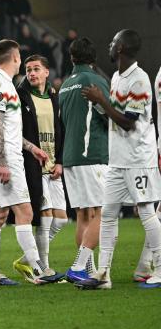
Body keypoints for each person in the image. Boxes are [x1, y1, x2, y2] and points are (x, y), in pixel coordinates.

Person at [77, 29, 161, 290]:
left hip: (138, 158)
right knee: (110, 212)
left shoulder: (139, 80)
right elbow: (114, 114)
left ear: (122, 48)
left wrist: (101, 99)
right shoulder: (115, 76)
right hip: (118, 158)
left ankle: (159, 268)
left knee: (146, 211)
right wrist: (99, 104)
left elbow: (127, 122)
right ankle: (103, 274)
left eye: (113, 42)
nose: (110, 45)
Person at [0, 39, 62, 286]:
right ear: (16, 58)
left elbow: (8, 128)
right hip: (5, 159)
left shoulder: (4, 84)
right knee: (25, 212)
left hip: (7, 155)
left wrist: (31, 147)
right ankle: (38, 270)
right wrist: (4, 162)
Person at [57, 38, 110, 283]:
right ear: (93, 58)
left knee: (82, 215)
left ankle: (86, 270)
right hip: (92, 155)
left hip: (70, 158)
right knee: (105, 210)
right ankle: (79, 266)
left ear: (71, 58)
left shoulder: (65, 85)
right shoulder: (96, 81)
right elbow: (111, 117)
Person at [12, 55, 67, 282]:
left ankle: (26, 259)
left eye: (36, 69)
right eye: (28, 69)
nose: (32, 73)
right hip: (34, 165)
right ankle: (44, 268)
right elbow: (17, 132)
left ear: (46, 72)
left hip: (53, 164)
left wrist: (60, 161)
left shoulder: (53, 96)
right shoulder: (21, 95)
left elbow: (60, 130)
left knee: (61, 219)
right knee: (44, 217)